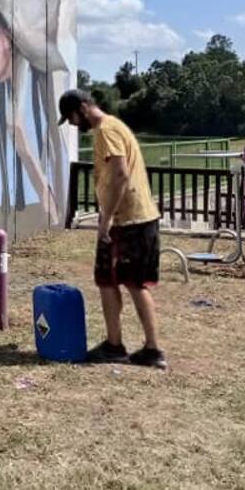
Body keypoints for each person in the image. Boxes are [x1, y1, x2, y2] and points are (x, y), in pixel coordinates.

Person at [58, 88, 167, 370]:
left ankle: (152, 349)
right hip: (129, 219)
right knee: (107, 280)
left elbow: (120, 174)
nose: (72, 123)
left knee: (133, 283)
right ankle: (114, 343)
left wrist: (105, 219)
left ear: (83, 108)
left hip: (128, 220)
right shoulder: (113, 127)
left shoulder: (106, 130)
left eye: (70, 116)